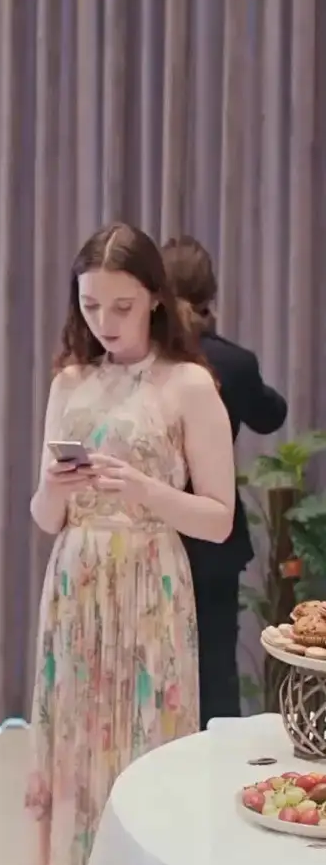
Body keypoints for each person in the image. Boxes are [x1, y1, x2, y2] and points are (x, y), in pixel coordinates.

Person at [0, 222, 235, 865]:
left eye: (122, 306)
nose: (105, 322)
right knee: (70, 770)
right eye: (92, 306)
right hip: (76, 584)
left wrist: (144, 488)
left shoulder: (189, 386)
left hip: (150, 586)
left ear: (157, 301)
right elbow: (42, 516)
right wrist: (58, 486)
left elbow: (218, 517)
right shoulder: (71, 381)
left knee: (142, 766)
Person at [162, 235, 288, 727]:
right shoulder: (233, 363)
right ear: (210, 291)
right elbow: (271, 416)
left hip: (154, 531)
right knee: (216, 670)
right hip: (214, 540)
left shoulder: (147, 360)